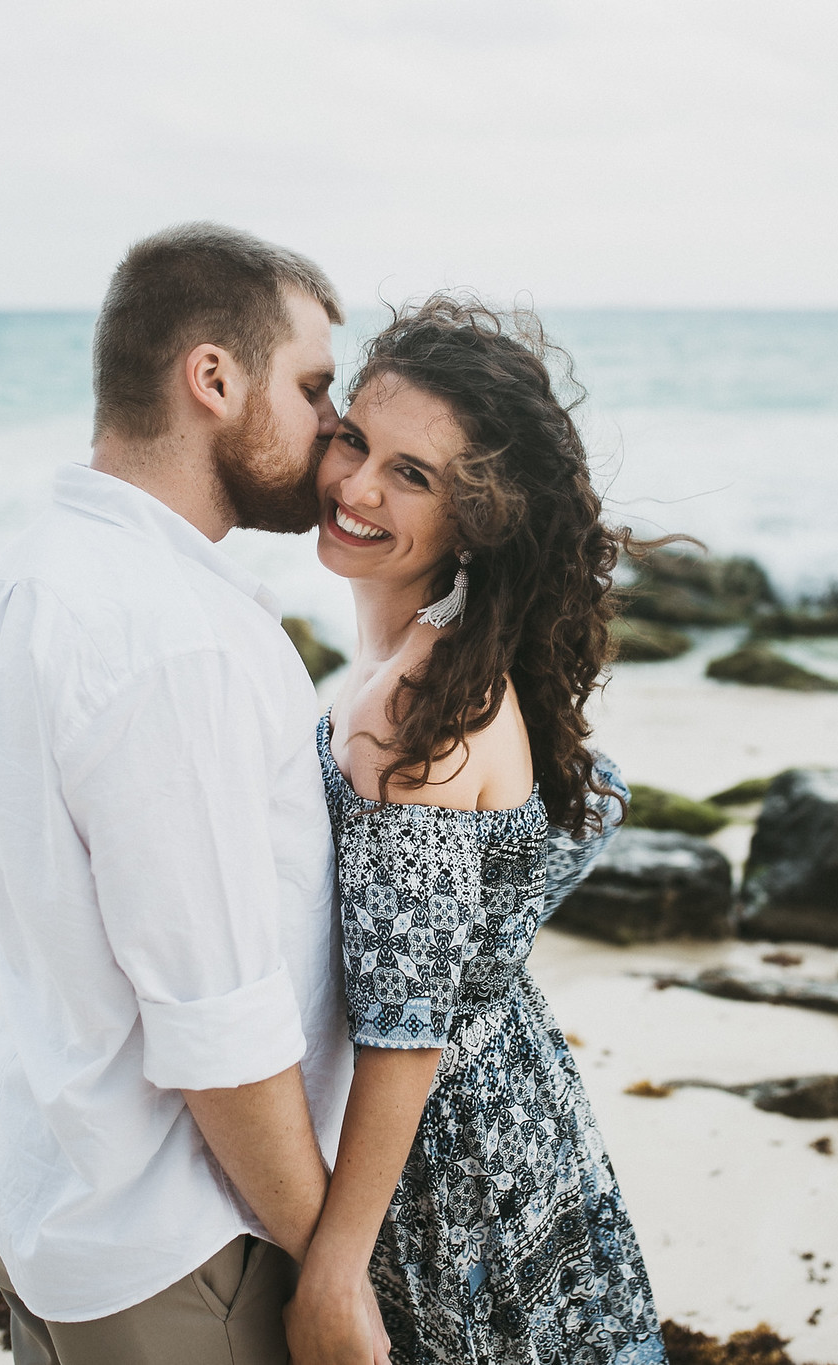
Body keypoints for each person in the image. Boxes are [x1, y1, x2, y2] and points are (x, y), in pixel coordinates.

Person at [0, 223, 361, 1365]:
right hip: (183, 1241)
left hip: (55, 1184)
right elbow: (218, 1025)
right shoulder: (174, 638)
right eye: (317, 385)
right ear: (214, 379)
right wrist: (332, 1265)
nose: (340, 425)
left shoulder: (25, 575)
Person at [285, 296, 666, 1365]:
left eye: (412, 475)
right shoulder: (439, 663)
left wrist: (333, 1268)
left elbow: (406, 1031)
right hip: (520, 1112)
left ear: (480, 517)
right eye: (354, 440)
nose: (356, 487)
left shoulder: (417, 712)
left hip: (448, 1162)